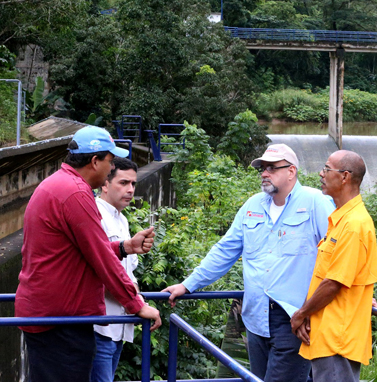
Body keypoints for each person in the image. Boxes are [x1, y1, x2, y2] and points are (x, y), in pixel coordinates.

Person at [163, 144, 335, 382]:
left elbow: (337, 254)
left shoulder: (315, 202)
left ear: (291, 171)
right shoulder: (253, 206)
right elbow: (225, 250)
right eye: (263, 168)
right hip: (255, 319)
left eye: (272, 168)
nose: (265, 173)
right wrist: (188, 285)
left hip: (295, 318)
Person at [15, 126, 161, 382]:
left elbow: (88, 248)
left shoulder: (58, 184)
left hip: (50, 314)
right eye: (110, 162)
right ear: (95, 161)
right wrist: (136, 304)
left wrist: (124, 247)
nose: (110, 169)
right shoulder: (75, 193)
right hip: (59, 322)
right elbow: (101, 259)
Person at [291, 150, 377, 382]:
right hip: (327, 334)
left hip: (338, 340)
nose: (321, 174)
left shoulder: (354, 225)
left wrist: (301, 313)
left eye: (327, 169)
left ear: (344, 177)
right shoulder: (340, 219)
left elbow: (334, 282)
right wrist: (309, 313)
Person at [91, 157, 144, 382]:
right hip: (98, 328)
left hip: (118, 328)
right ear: (105, 183)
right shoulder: (95, 216)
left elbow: (128, 274)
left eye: (133, 184)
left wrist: (136, 295)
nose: (130, 189)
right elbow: (99, 275)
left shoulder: (121, 220)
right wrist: (139, 304)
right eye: (123, 183)